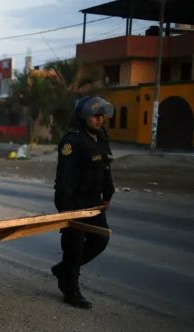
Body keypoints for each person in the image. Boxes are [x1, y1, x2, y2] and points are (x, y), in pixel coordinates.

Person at [51, 96, 115, 309]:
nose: (99, 120)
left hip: (94, 201)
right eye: (95, 116)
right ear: (83, 116)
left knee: (100, 240)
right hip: (74, 201)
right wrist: (65, 208)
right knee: (74, 247)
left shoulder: (101, 138)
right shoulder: (72, 140)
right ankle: (71, 290)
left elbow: (106, 169)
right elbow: (64, 176)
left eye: (101, 116)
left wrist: (108, 194)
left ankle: (63, 270)